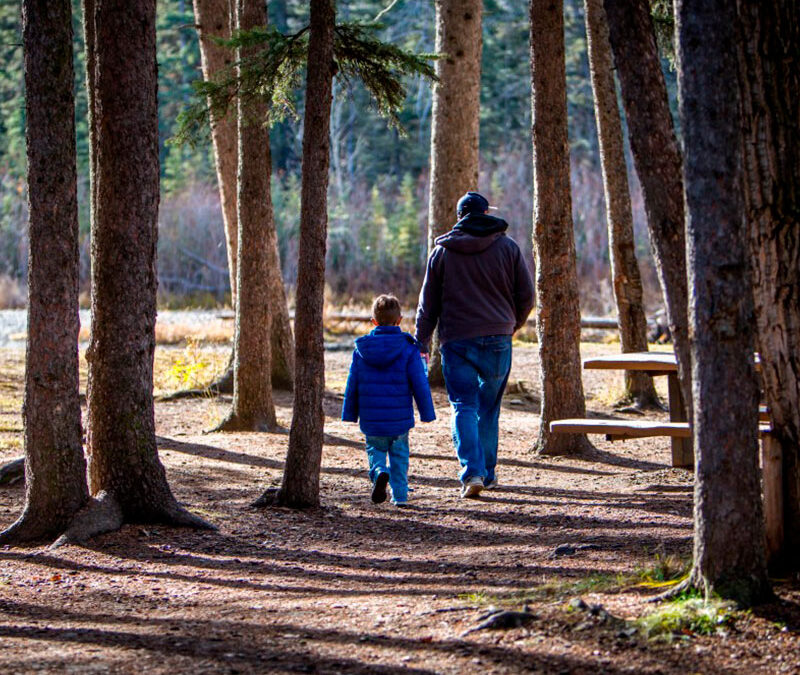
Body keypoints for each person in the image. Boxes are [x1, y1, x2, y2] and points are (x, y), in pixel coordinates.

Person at [415, 191, 535, 498]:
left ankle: (472, 474)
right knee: (489, 409)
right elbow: (526, 296)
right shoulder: (507, 247)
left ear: (460, 218)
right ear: (485, 214)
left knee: (463, 406)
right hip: (498, 339)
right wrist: (511, 325)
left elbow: (427, 305)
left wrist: (421, 342)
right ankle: (488, 474)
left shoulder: (442, 253)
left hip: (457, 340)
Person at [342, 294, 436, 506]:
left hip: (371, 417)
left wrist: (349, 413)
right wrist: (427, 412)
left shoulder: (362, 351)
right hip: (399, 418)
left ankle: (378, 472)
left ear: (373, 322)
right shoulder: (409, 349)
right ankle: (400, 496)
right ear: (399, 320)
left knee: (375, 449)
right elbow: (419, 382)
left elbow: (352, 383)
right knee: (400, 456)